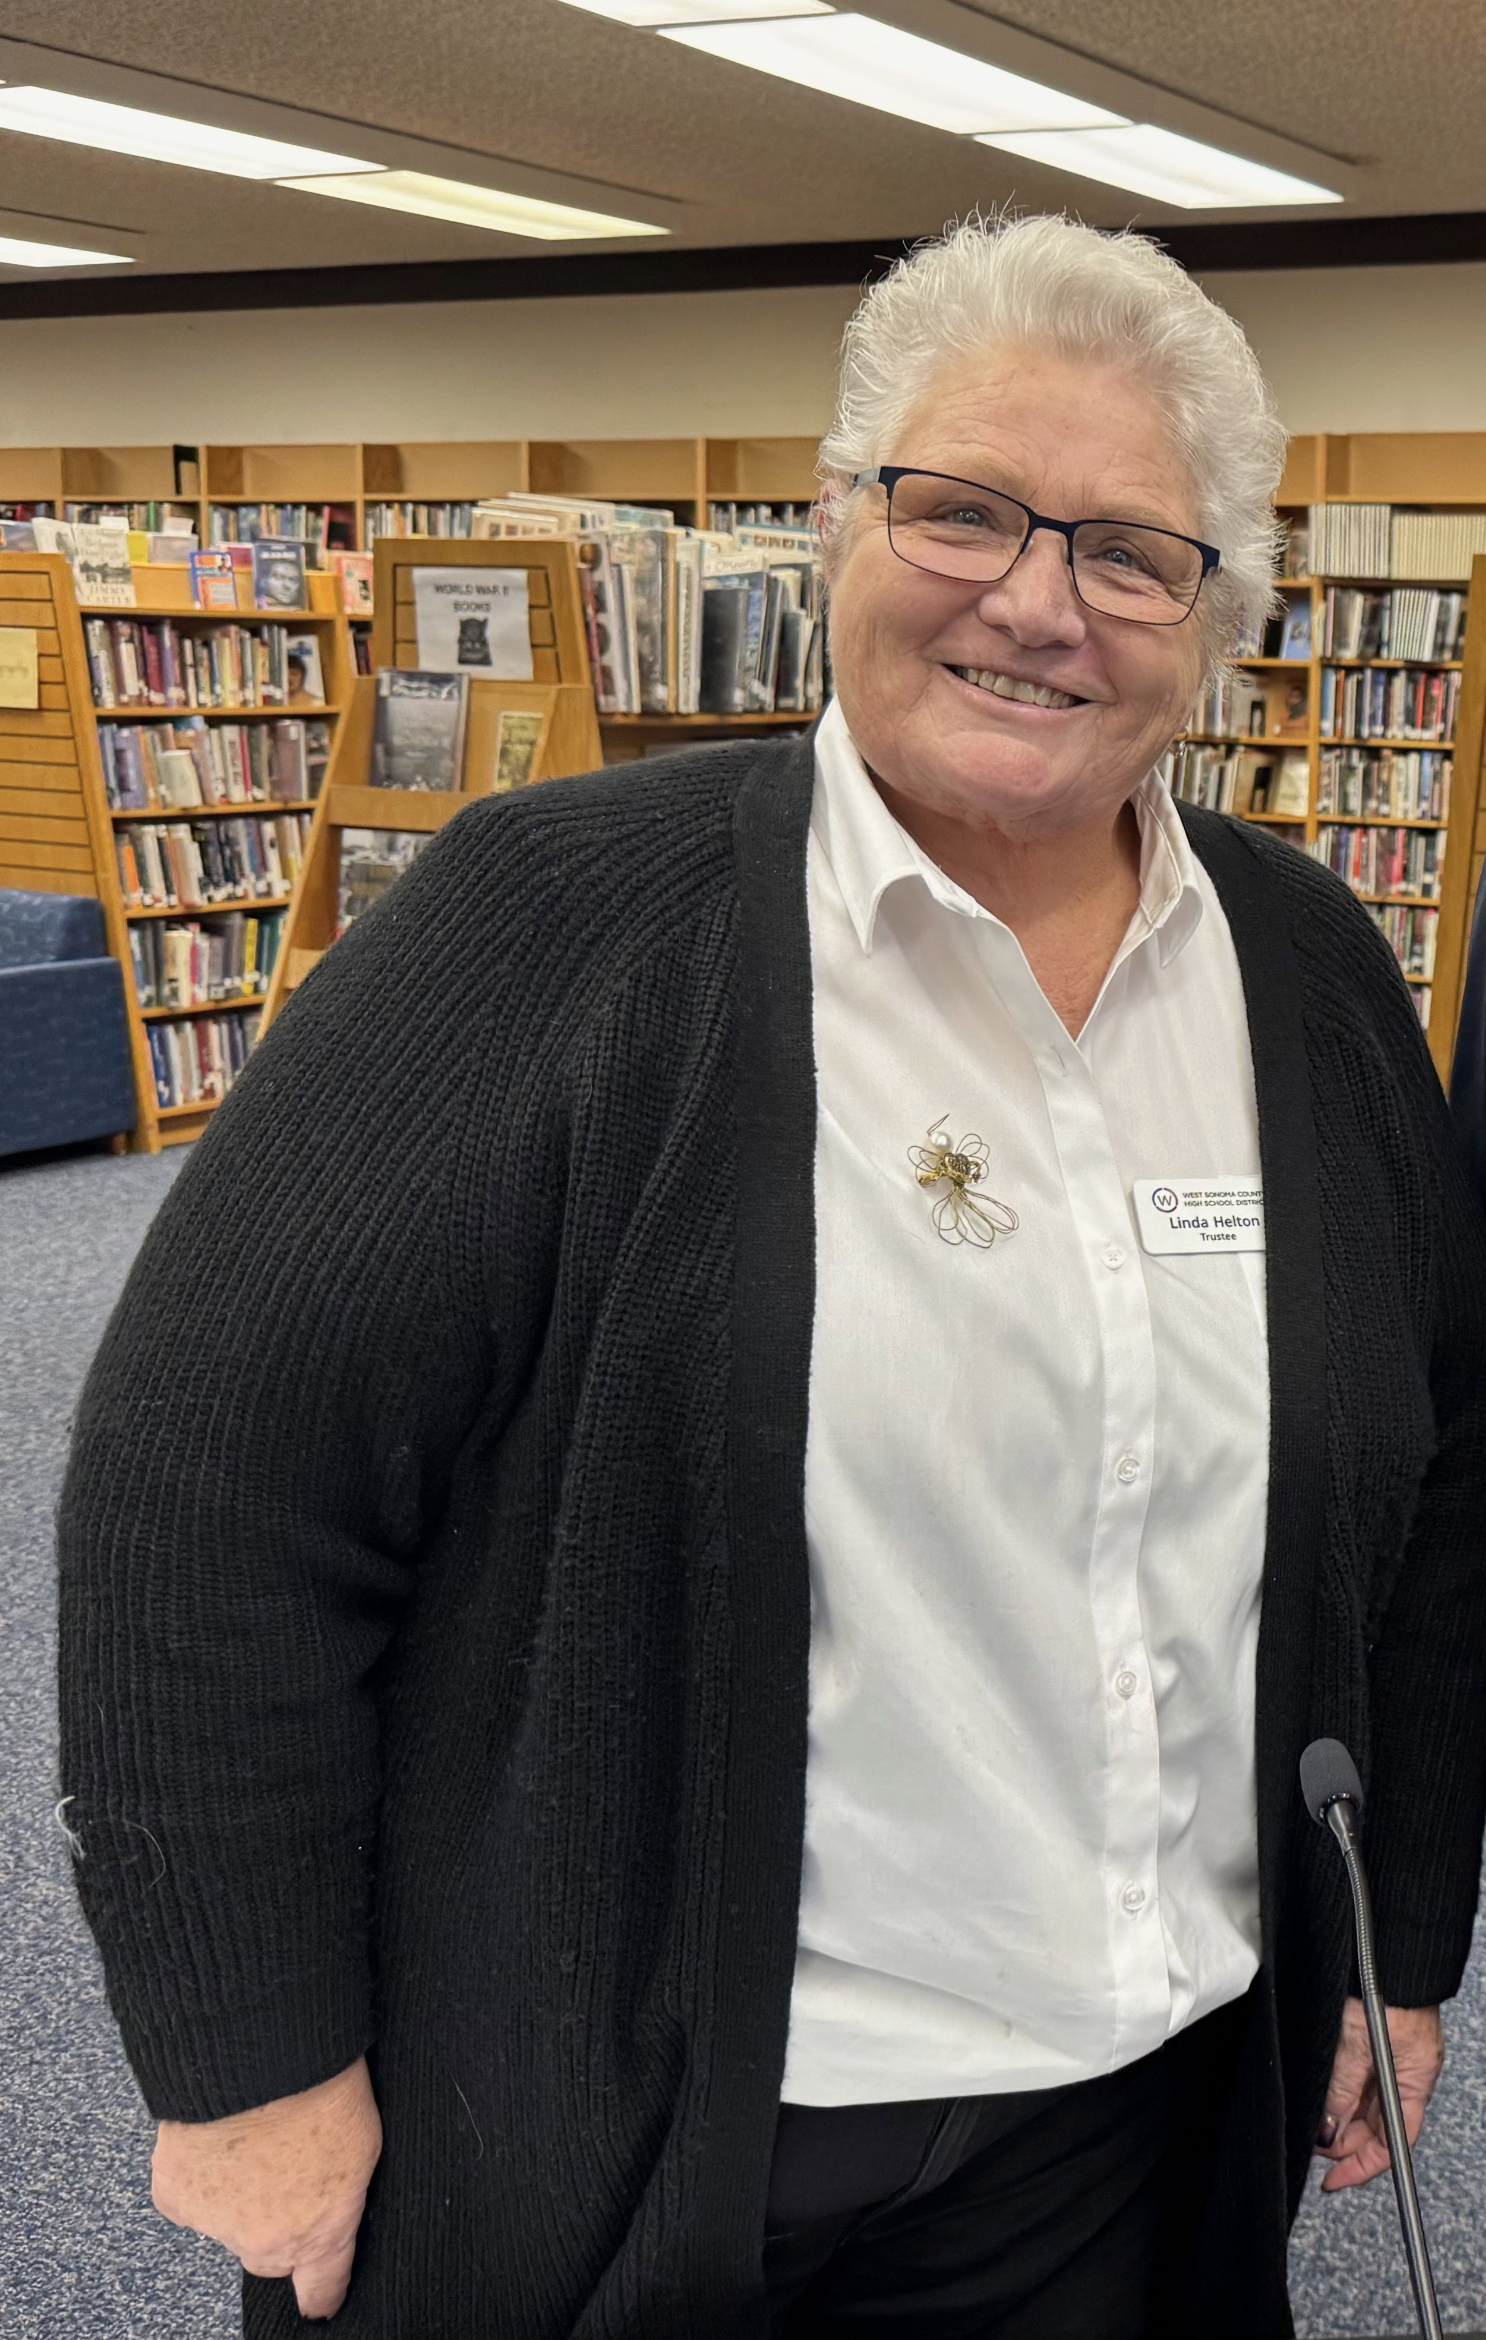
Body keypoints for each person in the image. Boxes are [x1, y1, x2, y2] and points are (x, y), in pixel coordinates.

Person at [58, 215, 1486, 2340]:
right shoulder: (552, 921)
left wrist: (1400, 1936)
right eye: (962, 510)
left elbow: (1432, 1475)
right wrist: (248, 2058)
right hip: (645, 2127)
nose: (1032, 599)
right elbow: (206, 1488)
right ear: (833, 526)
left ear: (1211, 618)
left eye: (1123, 550)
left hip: (1144, 2108)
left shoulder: (1306, 970)